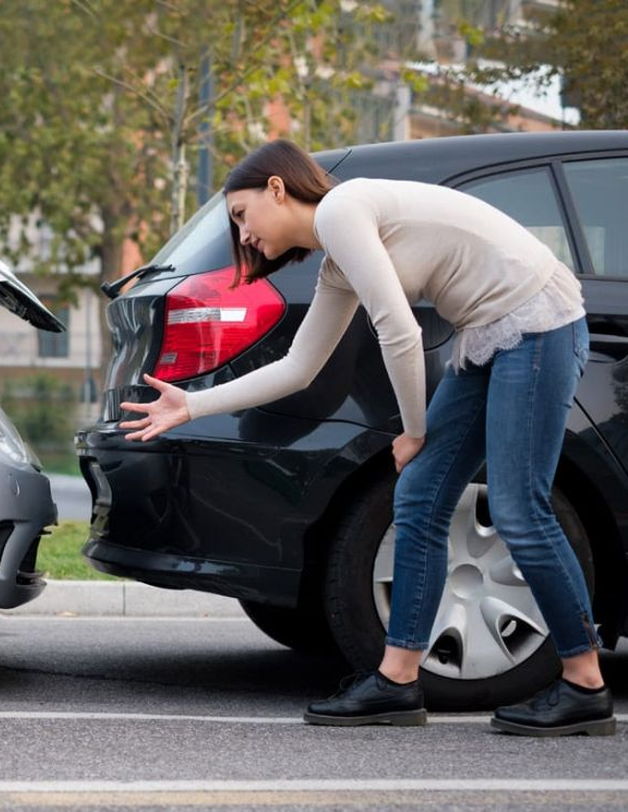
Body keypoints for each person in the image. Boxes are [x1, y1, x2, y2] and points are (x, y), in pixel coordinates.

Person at [120, 139, 614, 737]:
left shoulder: (342, 209)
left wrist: (413, 431)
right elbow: (299, 367)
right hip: (491, 334)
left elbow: (400, 332)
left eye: (243, 215)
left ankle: (584, 684)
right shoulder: (338, 259)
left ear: (277, 188)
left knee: (518, 508)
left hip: (537, 324)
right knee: (420, 496)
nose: (243, 235)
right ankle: (397, 680)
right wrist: (193, 404)